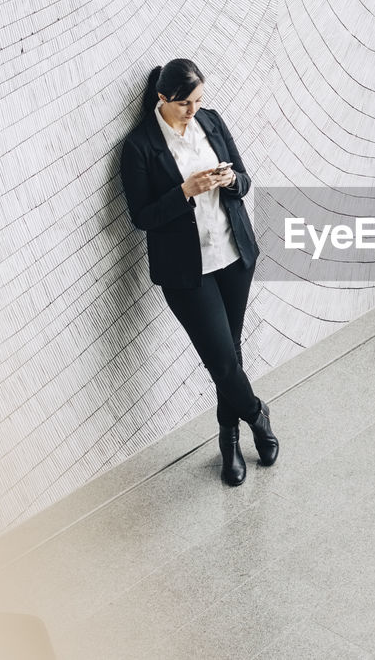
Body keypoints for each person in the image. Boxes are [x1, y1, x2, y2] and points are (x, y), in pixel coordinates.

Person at [119, 58, 278, 486]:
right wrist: (185, 191)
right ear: (162, 99)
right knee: (223, 364)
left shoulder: (211, 122)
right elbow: (141, 216)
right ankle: (257, 415)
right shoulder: (139, 147)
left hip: (234, 254)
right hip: (188, 272)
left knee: (230, 356)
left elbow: (245, 180)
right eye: (185, 103)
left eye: (198, 100)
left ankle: (229, 442)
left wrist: (229, 182)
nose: (194, 110)